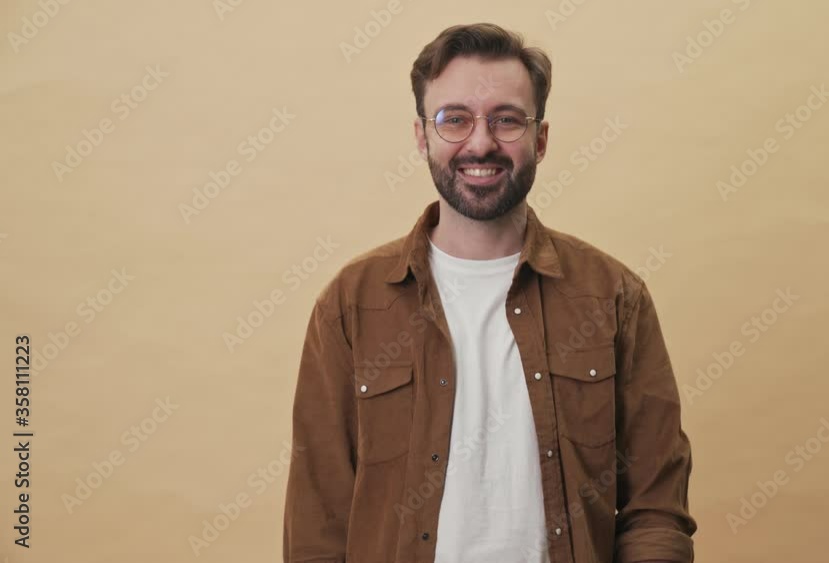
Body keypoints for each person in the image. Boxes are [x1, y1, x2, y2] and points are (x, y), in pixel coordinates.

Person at [283, 22, 696, 563]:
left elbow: (655, 511)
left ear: (540, 140)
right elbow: (319, 519)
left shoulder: (614, 298)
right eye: (454, 119)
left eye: (506, 120)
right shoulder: (351, 303)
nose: (480, 142)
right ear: (421, 135)